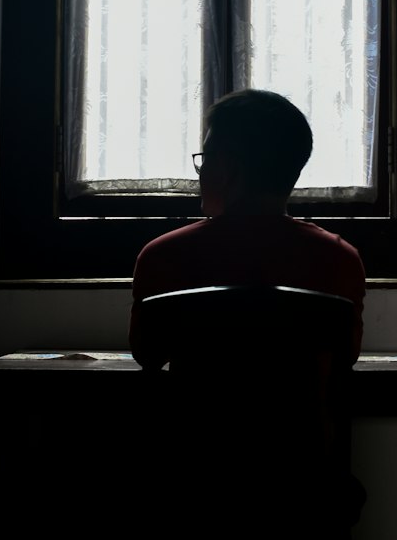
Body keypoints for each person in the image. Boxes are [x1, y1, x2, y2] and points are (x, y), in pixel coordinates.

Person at [128, 89, 366, 367]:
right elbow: (345, 357)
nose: (201, 172)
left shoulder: (164, 255)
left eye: (206, 158)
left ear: (228, 169)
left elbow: (147, 355)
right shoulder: (338, 259)